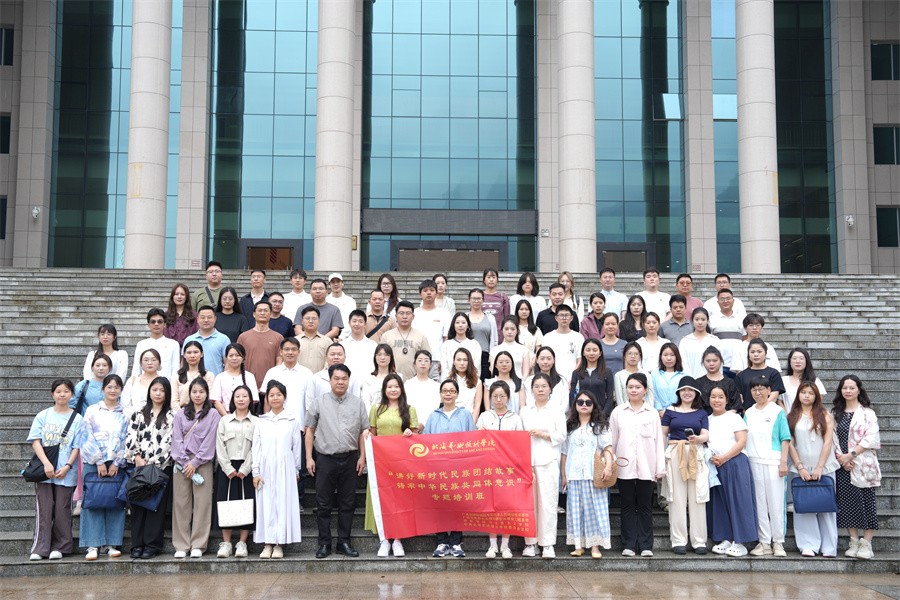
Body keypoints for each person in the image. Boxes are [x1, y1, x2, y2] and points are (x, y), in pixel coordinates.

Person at [306, 364, 369, 559]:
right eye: (336, 378)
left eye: (344, 378)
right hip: (325, 459)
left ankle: (344, 542)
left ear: (348, 381)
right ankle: (324, 544)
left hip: (350, 458)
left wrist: (362, 457)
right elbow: (309, 430)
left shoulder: (358, 403)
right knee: (323, 503)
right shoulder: (319, 402)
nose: (340, 382)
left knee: (347, 502)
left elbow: (363, 431)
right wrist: (309, 457)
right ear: (330, 380)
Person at [27, 379, 84, 561]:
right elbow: (36, 441)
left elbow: (77, 446)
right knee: (44, 509)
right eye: (58, 391)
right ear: (52, 394)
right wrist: (46, 463)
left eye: (66, 391)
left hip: (66, 472)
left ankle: (61, 546)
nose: (62, 394)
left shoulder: (77, 418)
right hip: (44, 470)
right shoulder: (43, 415)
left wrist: (67, 466)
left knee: (62, 509)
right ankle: (40, 547)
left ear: (71, 394)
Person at [609, 373, 665, 557]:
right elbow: (612, 441)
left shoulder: (652, 413)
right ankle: (629, 544)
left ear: (645, 390)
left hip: (647, 466)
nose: (633, 390)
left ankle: (646, 545)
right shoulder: (618, 412)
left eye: (637, 387)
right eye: (630, 387)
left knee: (645, 506)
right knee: (626, 505)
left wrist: (659, 467)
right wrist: (610, 463)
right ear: (625, 389)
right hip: (624, 466)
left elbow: (658, 442)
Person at [365, 374, 418, 557]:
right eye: (389, 387)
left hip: (401, 463)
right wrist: (367, 436)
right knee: (382, 499)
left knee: (399, 500)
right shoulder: (376, 409)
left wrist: (410, 433)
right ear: (384, 390)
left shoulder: (409, 410)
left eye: (396, 386)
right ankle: (384, 540)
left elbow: (416, 438)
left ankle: (397, 540)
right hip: (381, 463)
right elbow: (373, 434)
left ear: (401, 389)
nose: (393, 390)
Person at [423, 379, 476, 558]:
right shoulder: (433, 416)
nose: (448, 394)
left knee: (457, 505)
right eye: (445, 391)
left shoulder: (465, 415)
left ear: (457, 394)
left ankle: (456, 542)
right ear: (440, 394)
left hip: (459, 469)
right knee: (439, 504)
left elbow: (472, 440)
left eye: (452, 391)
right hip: (438, 469)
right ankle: (441, 541)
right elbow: (425, 441)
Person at [78, 373, 129, 561]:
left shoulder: (126, 412)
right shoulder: (93, 410)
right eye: (109, 387)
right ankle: (92, 544)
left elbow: (128, 438)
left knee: (115, 503)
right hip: (94, 463)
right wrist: (99, 461)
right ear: (103, 389)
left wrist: (117, 462)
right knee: (93, 502)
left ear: (121, 390)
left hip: (117, 464)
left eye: (116, 387)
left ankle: (111, 544)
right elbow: (85, 435)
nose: (113, 390)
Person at [124, 376, 175, 560]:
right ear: (149, 392)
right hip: (139, 466)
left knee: (155, 507)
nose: (158, 393)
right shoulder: (138, 413)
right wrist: (137, 457)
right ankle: (137, 545)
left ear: (167, 393)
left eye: (162, 390)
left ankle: (152, 545)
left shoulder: (172, 416)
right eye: (155, 390)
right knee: (138, 506)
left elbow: (170, 441)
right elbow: (131, 436)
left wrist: (154, 462)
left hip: (161, 467)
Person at [170, 377, 221, 558]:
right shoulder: (181, 414)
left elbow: (210, 440)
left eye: (201, 392)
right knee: (181, 503)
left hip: (203, 462)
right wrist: (185, 462)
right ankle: (181, 545)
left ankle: (199, 544)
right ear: (189, 393)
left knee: (202, 503)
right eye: (194, 392)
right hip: (181, 463)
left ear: (207, 394)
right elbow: (176, 439)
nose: (197, 395)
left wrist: (196, 462)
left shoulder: (213, 414)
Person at [787, 382, 839, 558]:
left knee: (826, 506)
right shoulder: (792, 416)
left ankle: (829, 547)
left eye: (810, 393)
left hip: (824, 467)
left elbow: (828, 442)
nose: (807, 395)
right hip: (801, 468)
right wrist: (800, 466)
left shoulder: (825, 415)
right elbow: (790, 444)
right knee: (803, 506)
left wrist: (820, 467)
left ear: (816, 395)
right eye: (803, 392)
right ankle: (808, 545)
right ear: (798, 395)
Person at [253, 380, 303, 559]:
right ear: (267, 398)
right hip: (265, 467)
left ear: (284, 397)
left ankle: (279, 544)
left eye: (279, 395)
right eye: (271, 395)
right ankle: (267, 543)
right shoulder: (261, 421)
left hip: (285, 467)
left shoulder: (292, 420)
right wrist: (256, 471)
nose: (275, 398)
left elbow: (296, 446)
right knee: (266, 504)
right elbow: (256, 447)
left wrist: (296, 469)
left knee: (282, 503)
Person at [832, 375, 880, 560]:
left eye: (852, 387)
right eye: (845, 387)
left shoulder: (868, 413)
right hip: (843, 465)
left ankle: (866, 543)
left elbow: (871, 437)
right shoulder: (835, 413)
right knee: (847, 503)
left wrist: (851, 455)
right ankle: (853, 540)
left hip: (863, 462)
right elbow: (833, 438)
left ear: (859, 390)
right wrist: (842, 459)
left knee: (867, 502)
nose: (848, 391)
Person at [661, 376, 710, 555]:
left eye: (690, 390)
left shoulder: (701, 412)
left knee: (698, 497)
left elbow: (705, 435)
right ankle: (678, 540)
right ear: (678, 392)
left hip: (695, 452)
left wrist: (698, 438)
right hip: (675, 452)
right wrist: (661, 458)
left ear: (696, 393)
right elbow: (663, 434)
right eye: (683, 390)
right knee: (676, 498)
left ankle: (699, 541)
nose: (687, 393)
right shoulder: (670, 411)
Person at [706, 384, 757, 557]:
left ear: (727, 400)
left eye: (721, 397)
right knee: (720, 502)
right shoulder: (707, 419)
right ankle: (726, 538)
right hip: (716, 465)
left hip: (735, 462)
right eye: (713, 397)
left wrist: (725, 457)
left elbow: (741, 441)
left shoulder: (734, 417)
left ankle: (741, 542)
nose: (717, 400)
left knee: (739, 501)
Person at [519, 373, 567, 558]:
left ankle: (547, 544)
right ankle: (530, 543)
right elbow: (518, 435)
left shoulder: (556, 410)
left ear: (550, 389)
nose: (540, 389)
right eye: (537, 386)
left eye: (544, 386)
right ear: (531, 389)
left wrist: (544, 434)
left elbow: (562, 435)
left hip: (548, 460)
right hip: (527, 462)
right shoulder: (525, 411)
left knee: (548, 504)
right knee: (529, 504)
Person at [561, 389, 613, 559]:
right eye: (580, 402)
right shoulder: (569, 427)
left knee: (594, 510)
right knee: (575, 511)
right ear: (575, 405)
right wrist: (563, 475)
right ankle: (578, 545)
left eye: (588, 402)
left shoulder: (600, 426)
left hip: (594, 474)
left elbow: (607, 448)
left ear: (593, 405)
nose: (584, 405)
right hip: (574, 474)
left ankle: (595, 546)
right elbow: (564, 453)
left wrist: (608, 467)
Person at [744, 374, 791, 557]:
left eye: (761, 389)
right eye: (754, 389)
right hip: (754, 462)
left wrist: (783, 462)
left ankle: (778, 542)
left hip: (774, 462)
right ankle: (764, 542)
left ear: (769, 390)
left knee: (776, 503)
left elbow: (785, 438)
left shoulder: (777, 411)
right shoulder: (749, 412)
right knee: (760, 504)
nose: (758, 392)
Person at [477, 381, 525, 558]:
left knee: (507, 507)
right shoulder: (484, 416)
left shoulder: (515, 418)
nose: (498, 400)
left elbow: (520, 444)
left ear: (508, 397)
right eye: (495, 396)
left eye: (502, 396)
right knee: (491, 507)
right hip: (489, 468)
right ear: (490, 398)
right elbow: (476, 442)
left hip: (508, 469)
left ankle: (505, 546)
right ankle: (492, 546)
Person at [214, 385, 258, 559]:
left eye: (244, 396)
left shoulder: (256, 422)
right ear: (233, 399)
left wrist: (246, 468)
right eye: (237, 396)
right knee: (226, 503)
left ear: (250, 399)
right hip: (227, 467)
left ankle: (242, 543)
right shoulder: (224, 420)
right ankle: (226, 543)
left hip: (247, 468)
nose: (241, 399)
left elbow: (257, 447)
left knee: (246, 503)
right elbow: (219, 445)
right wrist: (228, 468)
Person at [261, 337, 313, 421]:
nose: (290, 352)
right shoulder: (272, 372)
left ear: (299, 352)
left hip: (300, 422)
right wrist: (266, 420)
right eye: (287, 349)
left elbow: (310, 401)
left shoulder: (307, 373)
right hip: (276, 422)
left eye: (294, 349)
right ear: (281, 352)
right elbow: (267, 400)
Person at [237, 301, 284, 388]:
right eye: (260, 310)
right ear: (254, 314)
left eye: (266, 310)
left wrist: (272, 381)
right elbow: (237, 360)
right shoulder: (243, 337)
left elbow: (279, 361)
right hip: (246, 385)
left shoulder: (278, 337)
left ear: (270, 314)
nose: (262, 313)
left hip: (270, 386)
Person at [381, 300, 431, 380]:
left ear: (413, 316)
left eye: (408, 313)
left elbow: (427, 360)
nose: (404, 316)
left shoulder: (421, 336)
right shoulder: (387, 336)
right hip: (392, 381)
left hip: (414, 382)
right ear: (396, 316)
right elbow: (381, 359)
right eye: (401, 313)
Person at [132, 308, 181, 382]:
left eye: (160, 321)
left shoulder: (173, 344)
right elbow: (136, 369)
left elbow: (175, 370)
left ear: (165, 324)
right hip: (144, 385)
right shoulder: (141, 344)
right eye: (153, 322)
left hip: (166, 385)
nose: (156, 324)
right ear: (149, 325)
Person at [736, 339, 786, 411]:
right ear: (748, 355)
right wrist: (748, 412)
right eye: (752, 352)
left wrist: (760, 410)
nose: (756, 354)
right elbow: (739, 398)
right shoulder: (741, 375)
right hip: (748, 413)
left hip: (769, 412)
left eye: (759, 352)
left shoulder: (774, 373)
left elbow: (774, 396)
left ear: (765, 353)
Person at [569, 338, 614, 417]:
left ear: (600, 353)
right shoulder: (576, 373)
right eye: (588, 350)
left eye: (595, 350)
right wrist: (576, 414)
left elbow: (610, 397)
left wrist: (603, 415)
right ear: (583, 353)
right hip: (581, 416)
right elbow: (572, 396)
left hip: (600, 415)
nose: (591, 353)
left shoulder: (607, 372)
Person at [210, 344, 259, 416]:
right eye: (231, 355)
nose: (234, 358)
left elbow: (253, 399)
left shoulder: (249, 377)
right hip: (224, 416)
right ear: (226, 358)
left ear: (243, 358)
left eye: (237, 355)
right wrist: (227, 418)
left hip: (245, 417)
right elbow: (216, 401)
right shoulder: (220, 377)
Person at [413, 279, 451, 372]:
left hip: (436, 359)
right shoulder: (414, 313)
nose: (429, 293)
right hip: (416, 359)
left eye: (432, 290)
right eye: (425, 290)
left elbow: (446, 338)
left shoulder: (444, 313)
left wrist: (444, 360)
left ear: (436, 293)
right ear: (420, 294)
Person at [182, 306, 230, 376]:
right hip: (193, 381)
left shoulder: (224, 339)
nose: (206, 320)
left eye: (209, 317)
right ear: (197, 319)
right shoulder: (189, 339)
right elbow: (183, 363)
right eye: (203, 317)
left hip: (215, 380)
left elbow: (228, 363)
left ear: (215, 319)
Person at [541, 304, 584, 380]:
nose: (564, 318)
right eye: (561, 315)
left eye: (567, 315)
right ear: (556, 318)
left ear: (571, 318)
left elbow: (580, 359)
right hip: (552, 378)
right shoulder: (547, 337)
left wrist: (573, 378)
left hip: (573, 378)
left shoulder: (578, 337)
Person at [695, 347, 743, 414]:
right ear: (703, 362)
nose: (711, 364)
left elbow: (736, 405)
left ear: (721, 361)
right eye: (708, 361)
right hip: (705, 418)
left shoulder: (730, 382)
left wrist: (724, 417)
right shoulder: (698, 383)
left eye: (715, 360)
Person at [678, 308, 722, 378]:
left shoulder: (715, 340)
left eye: (703, 319)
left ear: (707, 321)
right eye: (697, 319)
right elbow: (683, 364)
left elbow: (719, 364)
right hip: (691, 381)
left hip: (712, 381)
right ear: (692, 321)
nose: (700, 322)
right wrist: (689, 380)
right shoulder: (685, 341)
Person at [524, 346, 569, 413]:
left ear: (554, 360)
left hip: (557, 417)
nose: (545, 362)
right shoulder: (529, 381)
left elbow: (565, 405)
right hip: (535, 417)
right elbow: (529, 402)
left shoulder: (562, 381)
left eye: (549, 359)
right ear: (537, 360)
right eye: (542, 359)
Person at [708, 289, 744, 372]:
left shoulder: (741, 319)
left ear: (733, 301)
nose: (725, 301)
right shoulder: (712, 319)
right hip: (720, 364)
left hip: (738, 364)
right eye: (722, 299)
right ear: (718, 302)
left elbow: (745, 338)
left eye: (728, 298)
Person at [172, 341, 215, 407]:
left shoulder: (209, 376)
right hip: (181, 411)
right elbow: (174, 401)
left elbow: (209, 400)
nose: (192, 356)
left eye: (195, 352)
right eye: (189, 353)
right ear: (184, 355)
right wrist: (182, 412)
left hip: (203, 412)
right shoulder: (177, 376)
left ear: (202, 354)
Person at [466, 288, 498, 378]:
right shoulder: (464, 317)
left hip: (485, 356)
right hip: (468, 355)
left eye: (479, 298)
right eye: (473, 298)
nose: (476, 301)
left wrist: (492, 358)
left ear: (483, 300)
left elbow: (494, 339)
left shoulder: (490, 318)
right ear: (469, 300)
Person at [783, 348, 827, 413]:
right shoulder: (783, 380)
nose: (798, 361)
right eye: (794, 358)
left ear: (807, 361)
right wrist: (785, 416)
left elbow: (818, 402)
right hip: (788, 417)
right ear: (790, 361)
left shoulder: (815, 381)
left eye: (801, 358)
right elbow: (779, 401)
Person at [442, 312, 484, 379]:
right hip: (450, 382)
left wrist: (471, 381)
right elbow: (444, 368)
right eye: (457, 322)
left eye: (463, 322)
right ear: (453, 325)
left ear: (468, 325)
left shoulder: (475, 344)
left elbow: (477, 367)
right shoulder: (446, 345)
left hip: (470, 381)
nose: (460, 325)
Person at [122, 349, 163, 414]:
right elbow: (125, 404)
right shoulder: (133, 380)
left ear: (159, 363)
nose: (150, 363)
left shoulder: (163, 382)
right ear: (141, 363)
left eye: (153, 360)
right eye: (146, 360)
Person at [404, 350, 440, 425]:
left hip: (431, 425)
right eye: (420, 360)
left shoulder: (436, 386)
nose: (423, 363)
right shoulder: (407, 384)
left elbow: (435, 408)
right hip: (411, 425)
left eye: (426, 361)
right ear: (414, 364)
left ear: (430, 364)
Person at [361, 343, 400, 411]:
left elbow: (401, 400)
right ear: (375, 357)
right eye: (379, 355)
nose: (382, 358)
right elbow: (366, 401)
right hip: (373, 415)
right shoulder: (368, 379)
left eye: (386, 355)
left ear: (391, 357)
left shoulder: (398, 377)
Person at [613, 342, 654, 407]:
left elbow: (650, 396)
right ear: (624, 356)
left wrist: (647, 411)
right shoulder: (619, 376)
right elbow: (619, 399)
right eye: (629, 353)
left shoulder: (647, 375)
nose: (633, 356)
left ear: (640, 356)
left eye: (636, 354)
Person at [650, 343, 686, 413]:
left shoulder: (684, 375)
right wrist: (659, 410)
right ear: (661, 356)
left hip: (679, 412)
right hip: (659, 413)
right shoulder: (654, 374)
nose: (669, 358)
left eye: (672, 355)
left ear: (677, 357)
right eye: (665, 355)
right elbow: (653, 394)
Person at [295, 306, 332, 373]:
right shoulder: (295, 341)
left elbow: (330, 362)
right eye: (307, 318)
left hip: (321, 378)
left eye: (314, 318)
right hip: (299, 377)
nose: (311, 321)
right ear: (302, 321)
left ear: (319, 321)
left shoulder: (327, 341)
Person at [343, 309, 377, 376]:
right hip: (348, 381)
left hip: (368, 381)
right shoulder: (342, 345)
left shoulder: (373, 345)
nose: (357, 324)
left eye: (360, 321)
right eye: (354, 321)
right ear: (349, 323)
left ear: (365, 324)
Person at [450, 347, 483, 419]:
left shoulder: (477, 382)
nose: (462, 363)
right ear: (454, 362)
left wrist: (472, 424)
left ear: (469, 362)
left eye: (465, 360)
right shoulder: (448, 381)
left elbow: (477, 406)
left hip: (469, 418)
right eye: (459, 360)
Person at [163, 283, 198, 348]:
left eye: (182, 294)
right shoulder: (165, 316)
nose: (179, 297)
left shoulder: (194, 315)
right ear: (172, 296)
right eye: (176, 294)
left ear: (186, 297)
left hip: (189, 350)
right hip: (169, 349)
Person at [481, 268, 510, 338]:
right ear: (484, 280)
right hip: (482, 333)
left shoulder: (503, 297)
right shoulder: (479, 296)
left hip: (499, 334)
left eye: (493, 277)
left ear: (497, 280)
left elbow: (507, 317)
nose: (491, 280)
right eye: (488, 277)